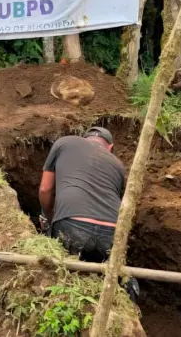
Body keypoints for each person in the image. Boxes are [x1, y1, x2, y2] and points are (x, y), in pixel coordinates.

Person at [38, 126, 138, 300]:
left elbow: (45, 189)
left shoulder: (64, 143)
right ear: (110, 147)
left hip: (73, 224)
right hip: (112, 230)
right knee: (114, 277)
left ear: (84, 139)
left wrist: (49, 217)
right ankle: (127, 306)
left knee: (65, 276)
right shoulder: (118, 165)